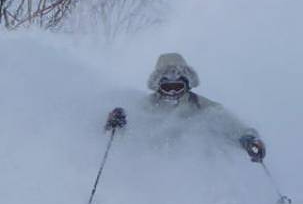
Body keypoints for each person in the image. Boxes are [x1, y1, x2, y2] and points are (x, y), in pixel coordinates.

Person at [105, 53, 266, 162]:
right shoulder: (147, 105)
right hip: (154, 162)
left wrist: (247, 138)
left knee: (205, 132)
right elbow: (131, 126)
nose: (173, 92)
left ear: (187, 85)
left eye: (178, 87)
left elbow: (225, 122)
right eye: (168, 88)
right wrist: (116, 121)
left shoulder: (199, 104)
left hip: (194, 163)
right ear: (158, 87)